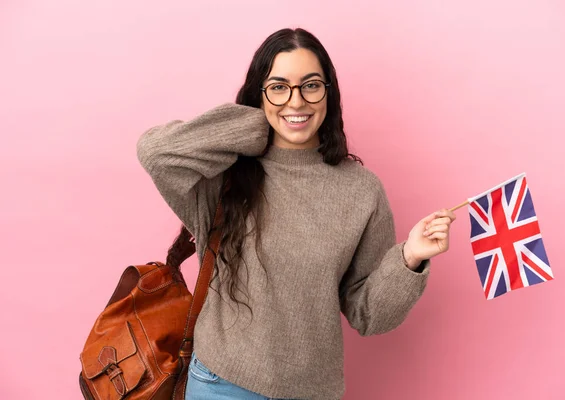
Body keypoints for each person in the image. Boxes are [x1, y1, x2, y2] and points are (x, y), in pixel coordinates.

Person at [137, 27, 456, 400]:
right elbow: (156, 153)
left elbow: (369, 315)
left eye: (310, 85)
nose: (296, 100)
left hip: (312, 392)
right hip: (221, 384)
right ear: (259, 93)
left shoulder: (361, 190)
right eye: (278, 87)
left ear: (328, 92)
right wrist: (258, 124)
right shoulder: (224, 174)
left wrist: (410, 258)